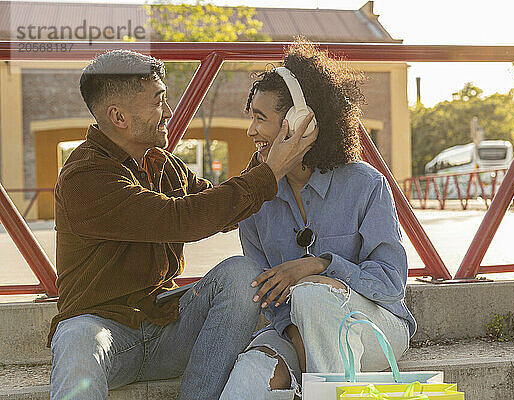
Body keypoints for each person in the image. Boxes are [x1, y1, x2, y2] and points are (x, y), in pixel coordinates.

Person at [48, 49, 316, 400]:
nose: (169, 112)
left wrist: (268, 154)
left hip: (166, 328)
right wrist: (271, 172)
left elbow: (218, 206)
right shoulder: (84, 178)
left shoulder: (162, 163)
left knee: (240, 275)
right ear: (118, 116)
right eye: (158, 102)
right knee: (76, 338)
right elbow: (182, 219)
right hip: (103, 333)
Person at [219, 40, 417, 400]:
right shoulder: (255, 199)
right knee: (252, 370)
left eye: (259, 118)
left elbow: (389, 284)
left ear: (300, 122)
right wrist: (299, 337)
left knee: (311, 292)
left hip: (373, 327)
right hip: (292, 328)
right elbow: (267, 295)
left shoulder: (366, 184)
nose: (250, 131)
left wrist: (319, 266)